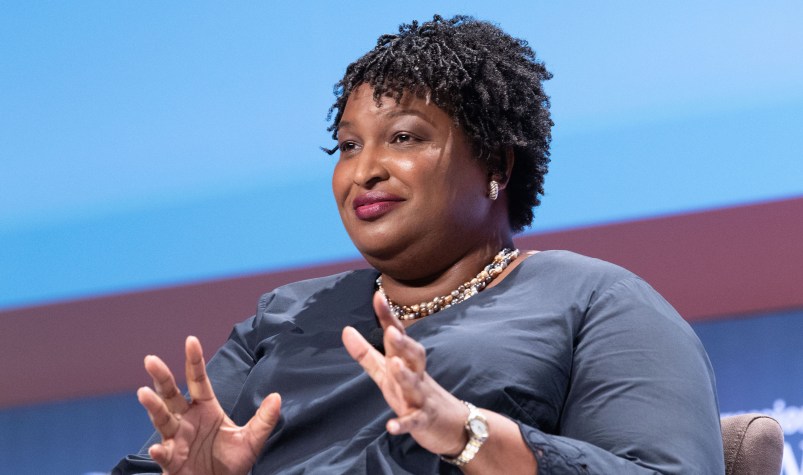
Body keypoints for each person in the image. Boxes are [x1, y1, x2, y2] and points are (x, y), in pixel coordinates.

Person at [114, 15, 725, 474]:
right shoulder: (286, 314)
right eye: (348, 145)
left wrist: (466, 431)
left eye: (404, 138)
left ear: (497, 164)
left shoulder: (594, 300)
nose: (365, 170)